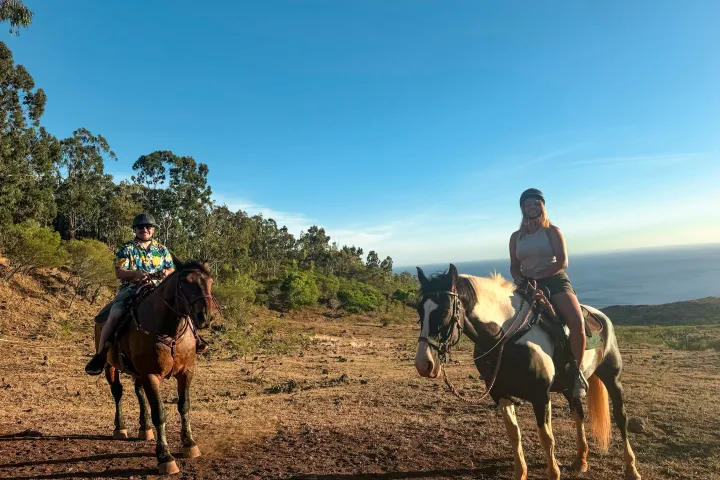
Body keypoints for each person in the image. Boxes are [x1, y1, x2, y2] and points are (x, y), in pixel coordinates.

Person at [85, 213, 190, 375]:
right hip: (132, 290)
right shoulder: (127, 248)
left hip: (159, 290)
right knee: (114, 314)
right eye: (140, 227)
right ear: (135, 229)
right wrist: (134, 275)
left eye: (148, 227)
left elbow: (171, 268)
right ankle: (100, 356)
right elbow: (119, 272)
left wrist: (166, 272)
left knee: (184, 308)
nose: (144, 229)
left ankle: (196, 340)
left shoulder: (162, 250)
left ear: (153, 230)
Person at [509, 188, 589, 398]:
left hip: (554, 280)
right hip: (527, 284)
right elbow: (514, 265)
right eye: (528, 204)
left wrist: (540, 275)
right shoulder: (516, 237)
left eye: (536, 203)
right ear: (522, 208)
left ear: (542, 206)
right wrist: (519, 279)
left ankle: (577, 372)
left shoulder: (552, 231)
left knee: (576, 321)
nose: (532, 207)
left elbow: (563, 262)